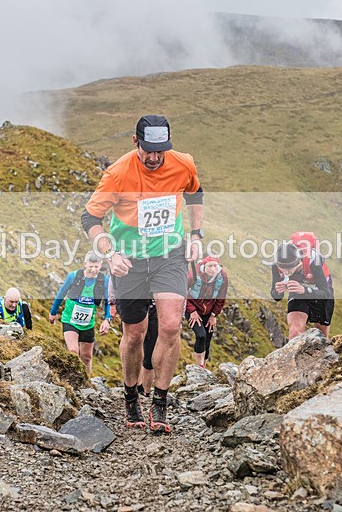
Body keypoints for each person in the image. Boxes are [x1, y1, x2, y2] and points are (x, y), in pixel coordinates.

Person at [82, 114, 204, 433]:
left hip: (169, 256)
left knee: (171, 326)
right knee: (134, 334)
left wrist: (196, 234)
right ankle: (131, 395)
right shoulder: (117, 173)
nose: (154, 158)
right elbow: (90, 219)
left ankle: (160, 403)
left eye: (160, 151)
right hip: (130, 262)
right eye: (148, 150)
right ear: (136, 142)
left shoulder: (183, 164)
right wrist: (110, 253)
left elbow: (195, 193)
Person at [49, 252, 111, 375]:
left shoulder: (104, 280)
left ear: (100, 265)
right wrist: (53, 312)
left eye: (96, 267)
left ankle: (86, 383)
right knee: (72, 351)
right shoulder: (73, 276)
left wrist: (107, 319)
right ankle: (72, 381)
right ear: (85, 264)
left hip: (88, 323)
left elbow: (108, 301)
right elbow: (61, 293)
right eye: (90, 267)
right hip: (70, 320)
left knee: (87, 357)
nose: (93, 270)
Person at [270, 239, 334, 340]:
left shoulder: (314, 262)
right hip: (298, 291)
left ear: (297, 262)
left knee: (321, 334)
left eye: (289, 268)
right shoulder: (276, 266)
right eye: (282, 268)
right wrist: (278, 291)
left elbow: (326, 293)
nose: (285, 272)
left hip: (320, 289)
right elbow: (276, 297)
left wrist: (304, 290)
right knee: (295, 331)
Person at [186, 256, 229, 367]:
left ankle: (203, 367)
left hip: (209, 312)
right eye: (210, 265)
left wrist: (214, 315)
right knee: (201, 336)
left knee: (208, 339)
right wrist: (192, 311)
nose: (213, 269)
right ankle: (199, 366)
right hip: (193, 309)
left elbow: (221, 298)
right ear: (204, 266)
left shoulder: (222, 277)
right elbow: (182, 292)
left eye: (215, 265)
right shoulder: (194, 274)